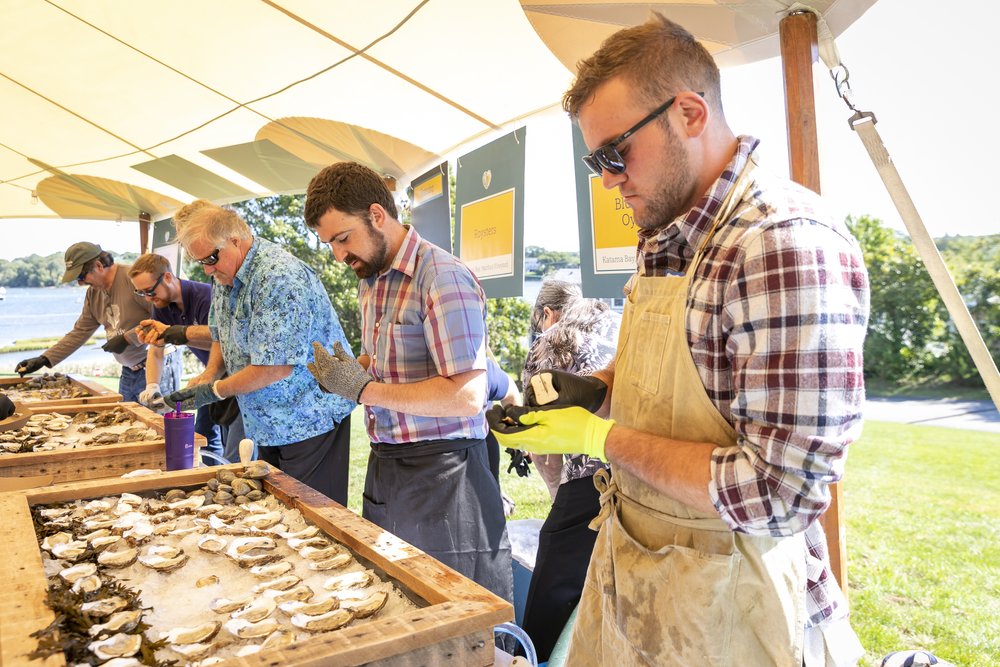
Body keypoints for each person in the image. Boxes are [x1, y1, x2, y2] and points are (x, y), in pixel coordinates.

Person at [490, 14, 870, 666]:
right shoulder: (664, 235)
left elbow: (779, 492)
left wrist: (598, 439)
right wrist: (596, 389)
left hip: (734, 606)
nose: (606, 178)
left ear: (690, 113)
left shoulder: (779, 242)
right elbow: (671, 373)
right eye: (594, 160)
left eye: (616, 153)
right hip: (643, 579)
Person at [303, 161, 513, 603]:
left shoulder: (443, 277)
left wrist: (362, 389)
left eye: (342, 238)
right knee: (393, 600)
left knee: (456, 617)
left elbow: (468, 395)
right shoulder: (371, 278)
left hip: (447, 474)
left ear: (377, 215)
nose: (339, 255)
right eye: (330, 245)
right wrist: (347, 372)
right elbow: (390, 364)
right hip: (389, 468)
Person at [166, 200, 355, 503]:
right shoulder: (224, 273)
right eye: (201, 261)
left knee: (315, 519)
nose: (208, 268)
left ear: (235, 240)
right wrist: (210, 372)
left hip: (308, 418)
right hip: (268, 422)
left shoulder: (278, 277)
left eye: (211, 258)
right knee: (280, 515)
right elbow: (221, 334)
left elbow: (275, 367)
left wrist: (216, 390)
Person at [516, 279, 620, 662]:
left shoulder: (550, 340)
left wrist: (558, 504)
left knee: (549, 603)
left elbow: (545, 447)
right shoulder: (620, 323)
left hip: (590, 481)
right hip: (643, 473)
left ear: (547, 313)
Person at [15, 242, 179, 403]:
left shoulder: (134, 279)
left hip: (158, 368)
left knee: (162, 427)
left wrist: (128, 338)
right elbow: (80, 332)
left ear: (99, 265)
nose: (80, 283)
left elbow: (165, 319)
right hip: (128, 371)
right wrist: (44, 359)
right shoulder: (93, 293)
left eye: (81, 276)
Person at [127, 252, 234, 462]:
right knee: (202, 432)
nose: (148, 298)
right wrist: (152, 385)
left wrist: (178, 334)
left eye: (150, 290)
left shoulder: (205, 296)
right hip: (211, 377)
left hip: (234, 377)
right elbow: (156, 348)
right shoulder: (161, 306)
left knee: (233, 442)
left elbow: (219, 339)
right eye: (141, 293)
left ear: (167, 277)